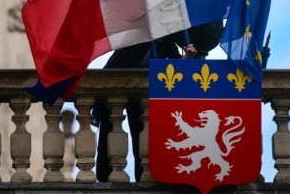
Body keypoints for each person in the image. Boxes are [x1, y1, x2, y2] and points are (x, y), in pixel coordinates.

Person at [93, 23, 224, 181]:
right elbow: (113, 69)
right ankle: (105, 175)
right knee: (112, 136)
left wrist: (187, 57)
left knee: (142, 139)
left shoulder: (166, 42)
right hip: (121, 95)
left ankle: (143, 176)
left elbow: (174, 66)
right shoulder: (135, 39)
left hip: (144, 98)